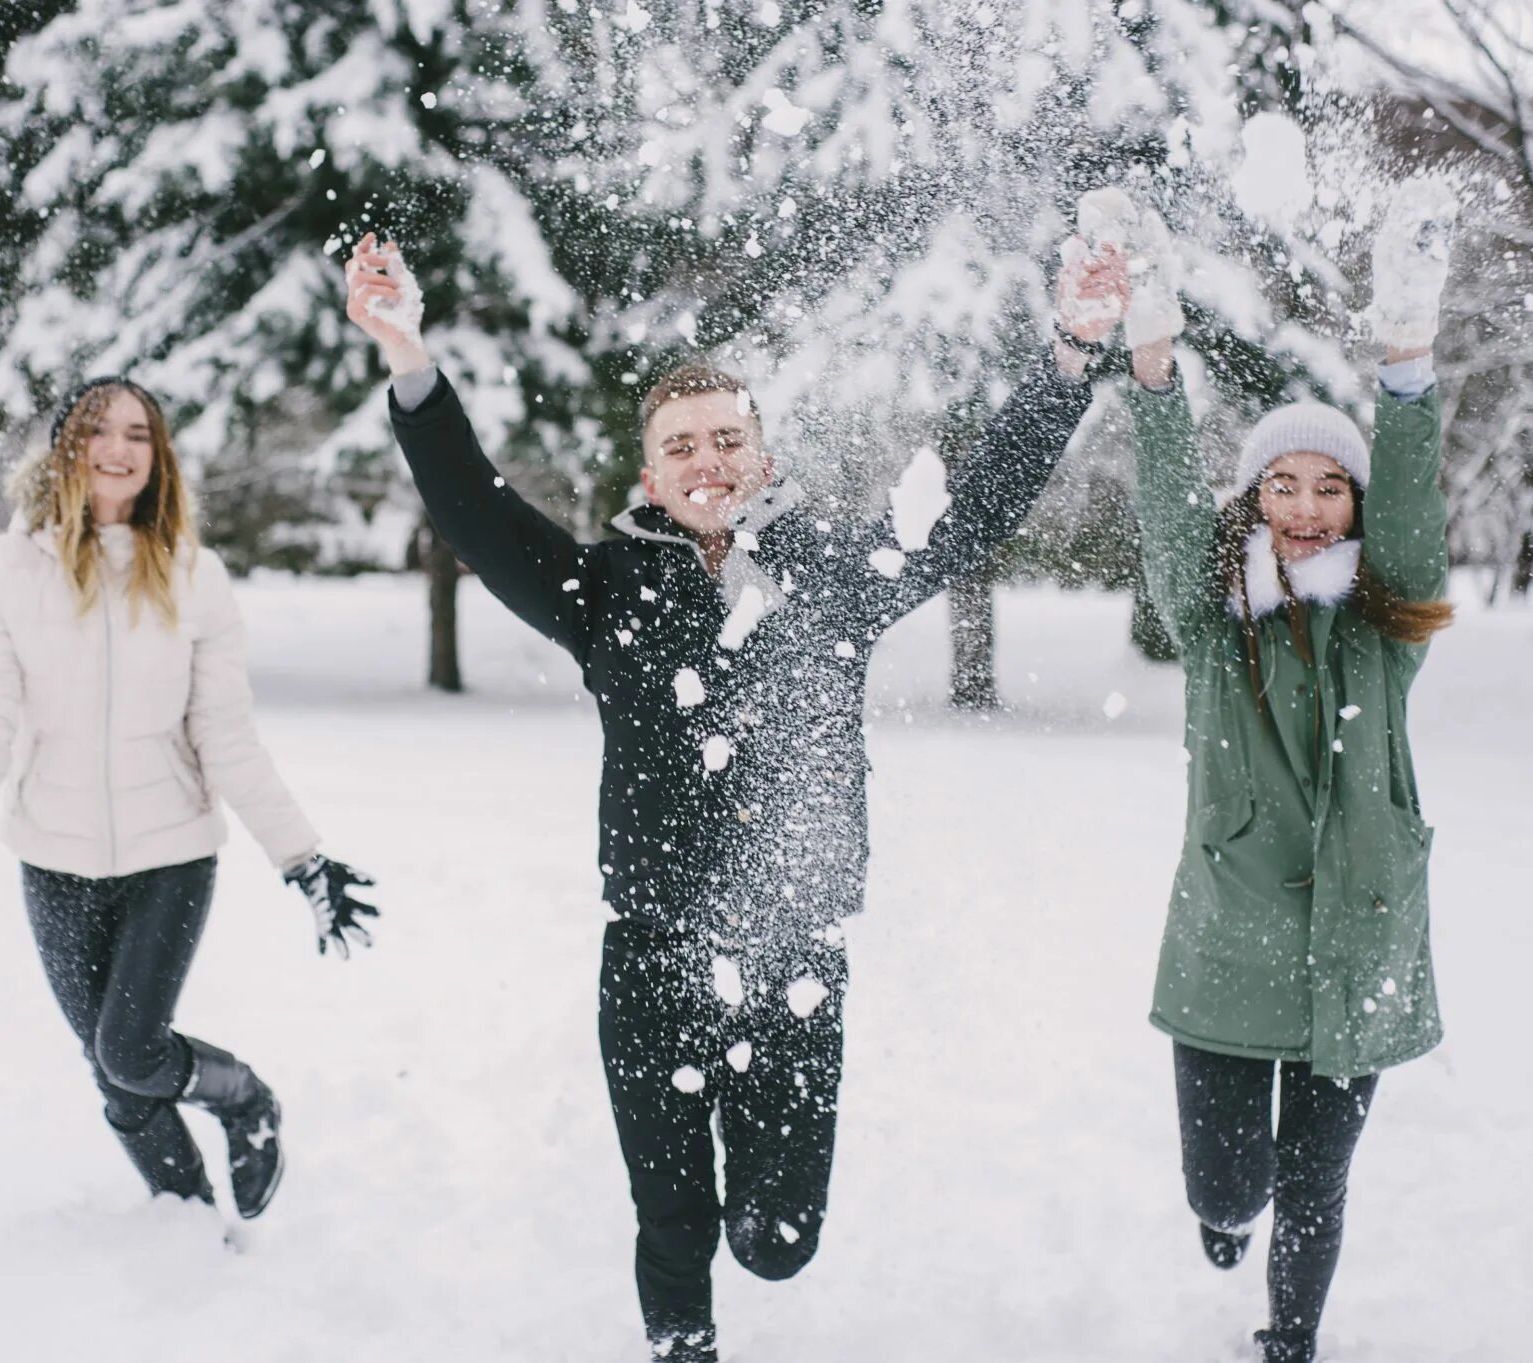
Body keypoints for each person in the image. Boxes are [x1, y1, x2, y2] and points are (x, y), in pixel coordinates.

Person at [343, 232, 1112, 1359]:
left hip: (794, 964)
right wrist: (408, 359)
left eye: (726, 439)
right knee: (672, 1222)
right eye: (680, 447)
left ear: (760, 455)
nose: (707, 460)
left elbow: (975, 510)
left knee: (776, 1238)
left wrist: (1069, 357)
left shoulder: (831, 578)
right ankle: (681, 1344)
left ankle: (755, 1251)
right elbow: (473, 511)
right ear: (647, 476)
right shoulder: (601, 593)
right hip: (651, 958)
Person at [0, 377, 380, 1221]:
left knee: (132, 1048)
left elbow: (228, 736)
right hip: (54, 855)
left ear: (159, 457)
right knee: (112, 1071)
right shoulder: (7, 575)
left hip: (171, 854)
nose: (118, 448)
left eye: (138, 434)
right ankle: (188, 1226)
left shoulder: (195, 577)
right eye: (97, 430)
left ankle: (246, 1101)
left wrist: (304, 858)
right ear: (62, 448)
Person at [1112, 181, 1458, 1363]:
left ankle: (1287, 1341)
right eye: (1281, 484)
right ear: (1252, 501)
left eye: (1327, 487)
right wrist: (1152, 363)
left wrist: (1404, 364)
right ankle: (1220, 1215)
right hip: (1228, 942)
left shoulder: (1384, 624)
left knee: (1315, 1184)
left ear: (1353, 504)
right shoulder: (1212, 626)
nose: (1305, 507)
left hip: (1360, 941)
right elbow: (1163, 511)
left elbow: (1415, 518)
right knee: (1228, 1190)